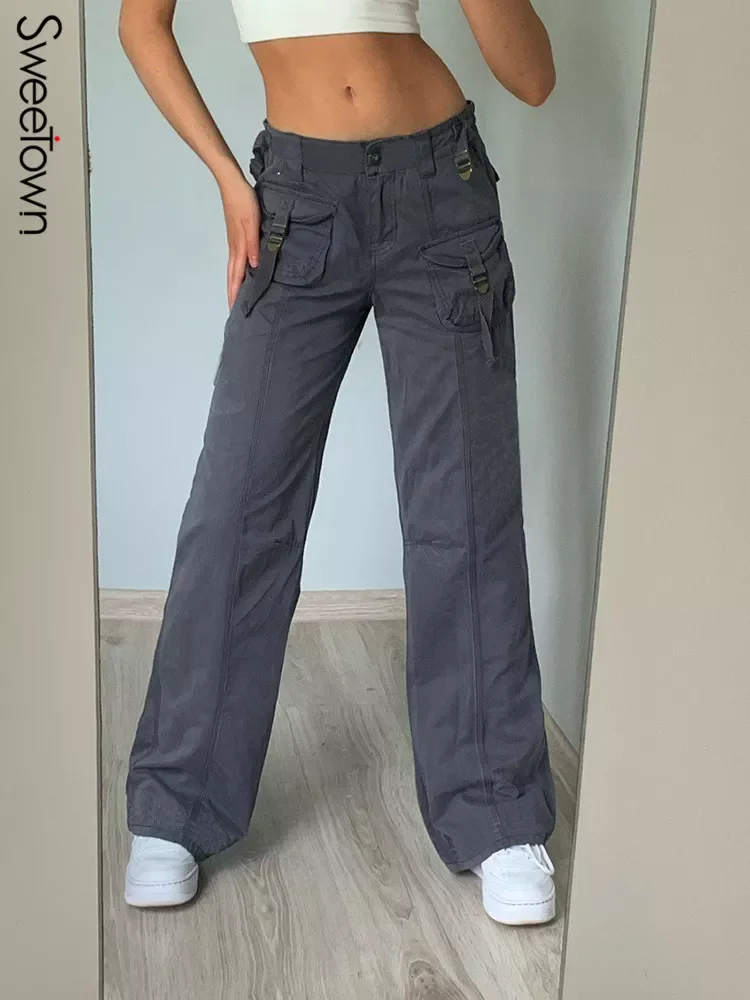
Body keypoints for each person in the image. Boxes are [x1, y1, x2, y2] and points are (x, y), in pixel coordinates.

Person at [119, 0, 557, 926]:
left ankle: (495, 810)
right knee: (237, 506)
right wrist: (228, 180)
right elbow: (140, 23)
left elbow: (533, 77)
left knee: (464, 511)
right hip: (296, 201)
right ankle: (177, 803)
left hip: (443, 192)